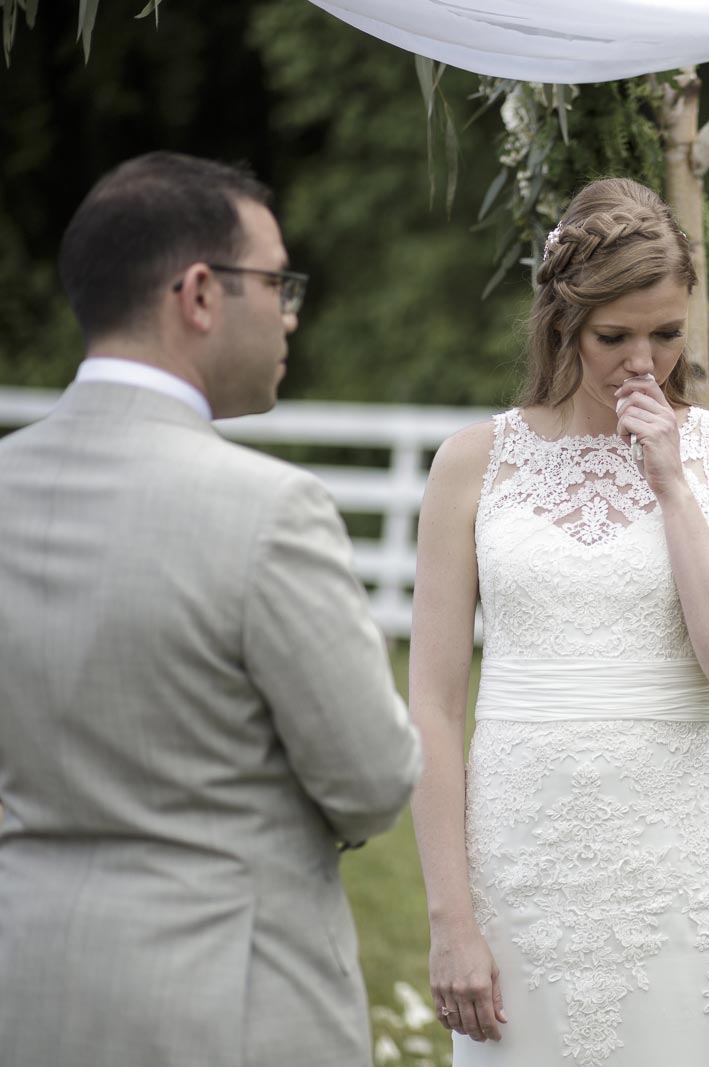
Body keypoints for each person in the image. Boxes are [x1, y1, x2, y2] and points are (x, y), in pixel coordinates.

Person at [0, 151, 423, 1067]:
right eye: (278, 282)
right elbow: (373, 776)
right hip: (225, 1007)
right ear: (198, 293)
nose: (290, 312)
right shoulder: (271, 513)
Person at [408, 177, 709, 1065]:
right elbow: (431, 706)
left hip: (685, 856)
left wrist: (669, 481)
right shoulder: (472, 465)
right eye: (613, 336)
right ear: (561, 322)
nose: (642, 363)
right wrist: (450, 917)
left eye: (666, 335)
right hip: (523, 857)